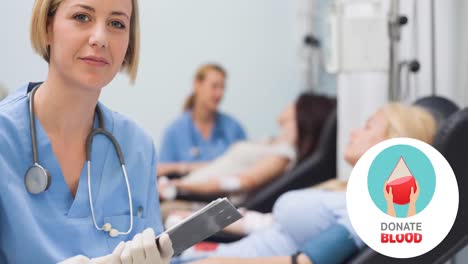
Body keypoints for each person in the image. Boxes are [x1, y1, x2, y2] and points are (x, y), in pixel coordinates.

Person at [0, 0, 172, 263]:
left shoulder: (137, 147)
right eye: (82, 17)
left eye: (117, 23)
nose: (100, 38)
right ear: (48, 28)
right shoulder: (5, 138)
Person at [173, 102, 436, 264]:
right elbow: (271, 226)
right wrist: (197, 224)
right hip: (202, 253)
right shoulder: (342, 191)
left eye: (368, 127)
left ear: (391, 145)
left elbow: (307, 261)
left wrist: (215, 263)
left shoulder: (367, 209)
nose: (355, 131)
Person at [158, 94, 335, 210]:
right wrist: (177, 171)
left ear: (300, 112)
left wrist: (179, 187)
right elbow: (223, 165)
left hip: (193, 202)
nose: (288, 103)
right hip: (184, 190)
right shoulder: (270, 142)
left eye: (294, 103)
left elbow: (241, 182)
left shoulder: (283, 154)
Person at [157, 64, 246, 177]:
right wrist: (186, 168)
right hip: (186, 193)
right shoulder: (175, 131)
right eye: (214, 86)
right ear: (197, 85)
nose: (220, 94)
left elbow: (247, 168)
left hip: (227, 194)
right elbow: (160, 171)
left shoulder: (233, 128)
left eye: (223, 88)